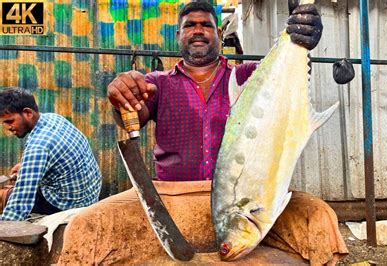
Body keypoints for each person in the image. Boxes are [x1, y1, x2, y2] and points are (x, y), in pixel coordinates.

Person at [59, 2, 347, 264]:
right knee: (85, 226)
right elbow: (131, 116)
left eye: (206, 25)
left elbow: (289, 77)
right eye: (190, 25)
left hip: (246, 200)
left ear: (219, 33)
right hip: (171, 200)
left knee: (319, 218)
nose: (198, 31)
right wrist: (121, 94)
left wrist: (302, 39)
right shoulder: (156, 84)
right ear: (177, 35)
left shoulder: (248, 76)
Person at [0, 87, 102, 221]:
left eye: (10, 121)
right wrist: (26, 166)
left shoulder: (38, 146)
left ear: (28, 113)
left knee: (4, 195)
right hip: (90, 193)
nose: (7, 127)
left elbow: (20, 204)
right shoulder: (54, 118)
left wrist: (4, 230)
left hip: (67, 205)